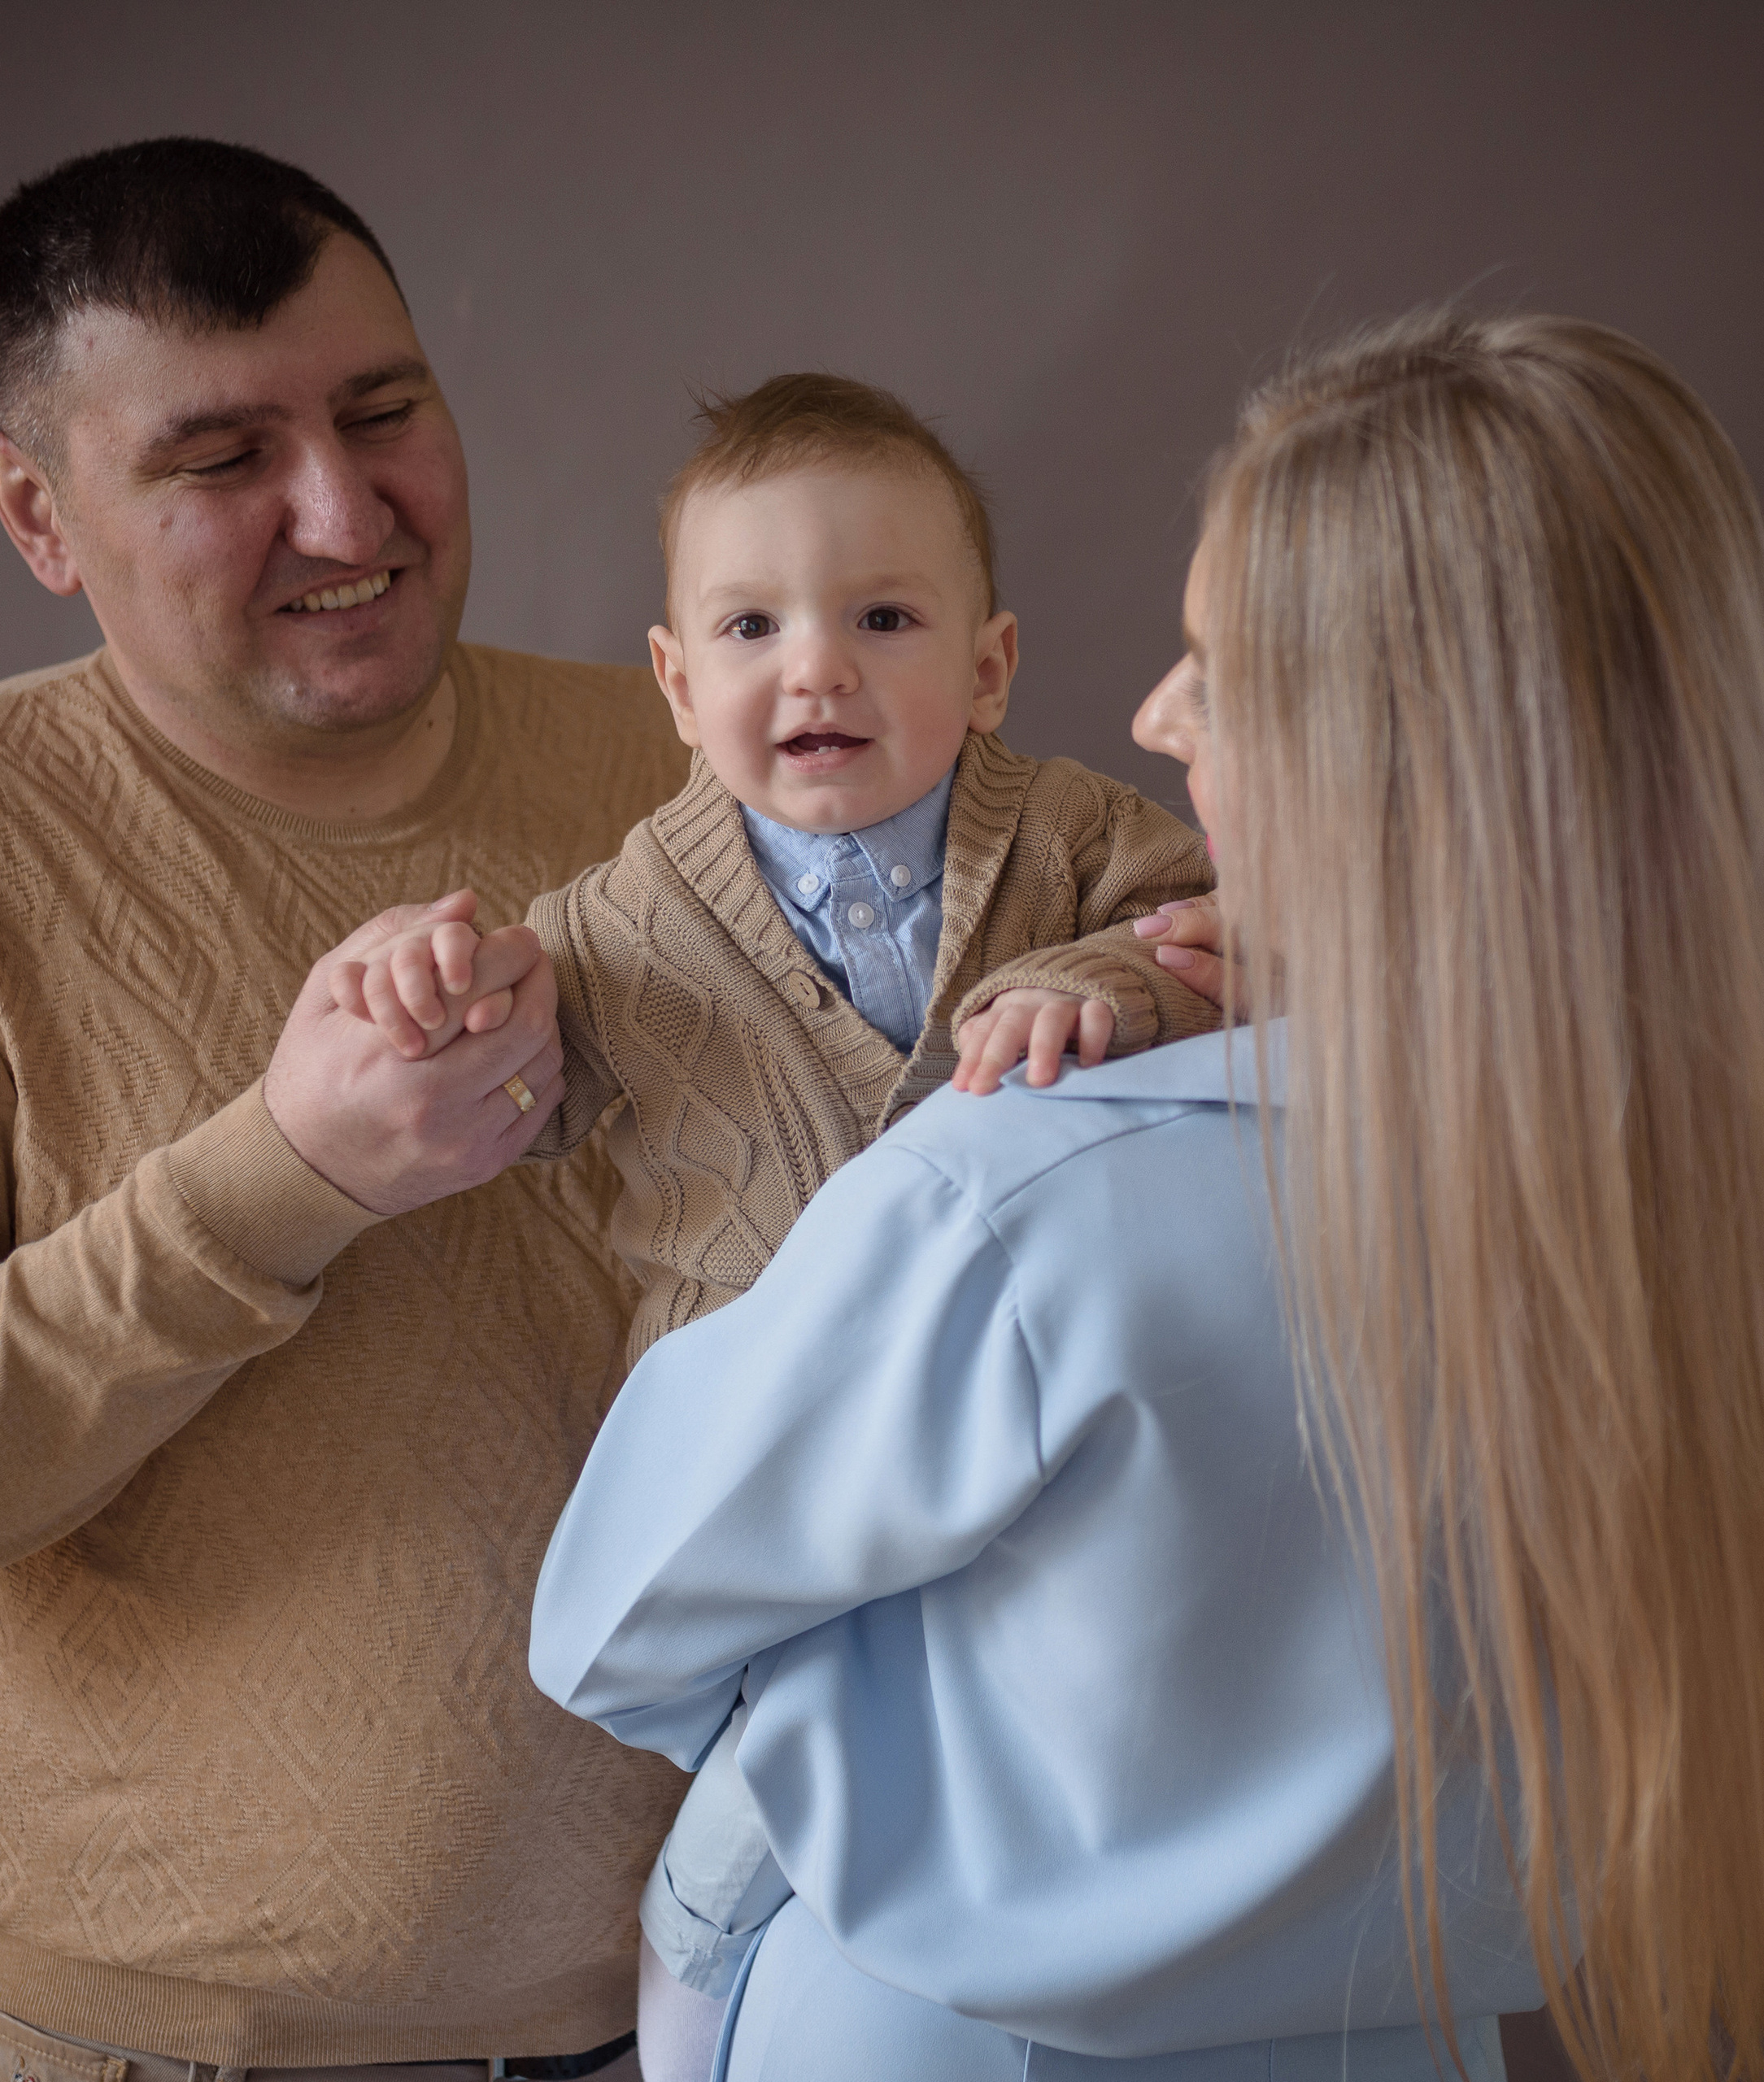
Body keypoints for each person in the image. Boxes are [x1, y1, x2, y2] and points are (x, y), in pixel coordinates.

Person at [527, 311, 1764, 2081]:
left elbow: (613, 1619)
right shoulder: (1739, 1224)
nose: (1147, 716)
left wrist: (904, 1649)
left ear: (1372, 735)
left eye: (1208, 670)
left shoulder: (1011, 1203)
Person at [0, 137, 697, 2080]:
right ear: (35, 506)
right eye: (219, 460)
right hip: (163, 2054)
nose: (343, 509)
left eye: (382, 411)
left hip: (728, 2003)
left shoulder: (686, 755)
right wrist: (290, 1177)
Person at [342, 372, 1216, 2077]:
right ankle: (707, 1989)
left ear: (985, 665)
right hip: (771, 1466)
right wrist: (430, 990)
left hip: (1025, 1440)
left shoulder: (1069, 833)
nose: (812, 667)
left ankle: (1057, 1975)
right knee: (785, 1792)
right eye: (750, 625)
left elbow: (1214, 931)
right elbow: (493, 1074)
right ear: (678, 681)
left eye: (881, 617)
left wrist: (1096, 982)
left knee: (1040, 1739)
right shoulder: (613, 929)